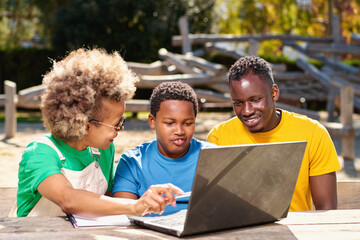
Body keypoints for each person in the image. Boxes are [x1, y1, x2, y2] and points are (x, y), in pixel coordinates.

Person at [15, 48, 182, 217]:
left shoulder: (104, 149)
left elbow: (107, 201)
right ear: (85, 125)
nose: (121, 129)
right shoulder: (40, 153)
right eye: (116, 124)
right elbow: (68, 199)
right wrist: (135, 206)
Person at [207, 56, 341, 211]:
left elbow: (326, 209)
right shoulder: (219, 137)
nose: (247, 111)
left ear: (274, 93)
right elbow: (213, 206)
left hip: (298, 232)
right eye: (238, 103)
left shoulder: (313, 133)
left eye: (255, 100)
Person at [112, 81, 216, 214]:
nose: (179, 131)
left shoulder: (213, 155)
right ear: (152, 121)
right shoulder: (132, 162)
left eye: (188, 123)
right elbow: (124, 215)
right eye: (170, 123)